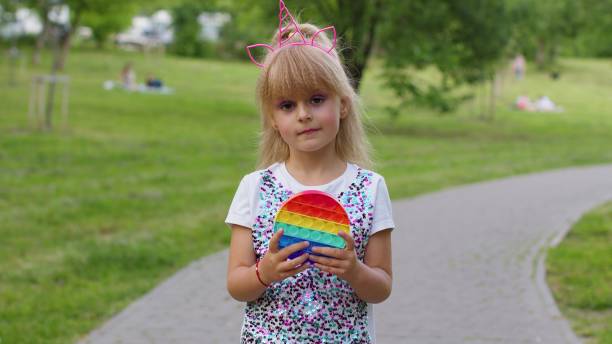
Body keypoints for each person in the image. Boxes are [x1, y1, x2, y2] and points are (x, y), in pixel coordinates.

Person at [225, 1, 394, 342]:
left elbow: (382, 287)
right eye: (287, 105)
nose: (303, 114)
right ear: (273, 119)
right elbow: (236, 285)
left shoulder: (369, 188)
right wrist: (265, 273)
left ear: (343, 104)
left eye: (316, 99)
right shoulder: (256, 187)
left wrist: (355, 271)